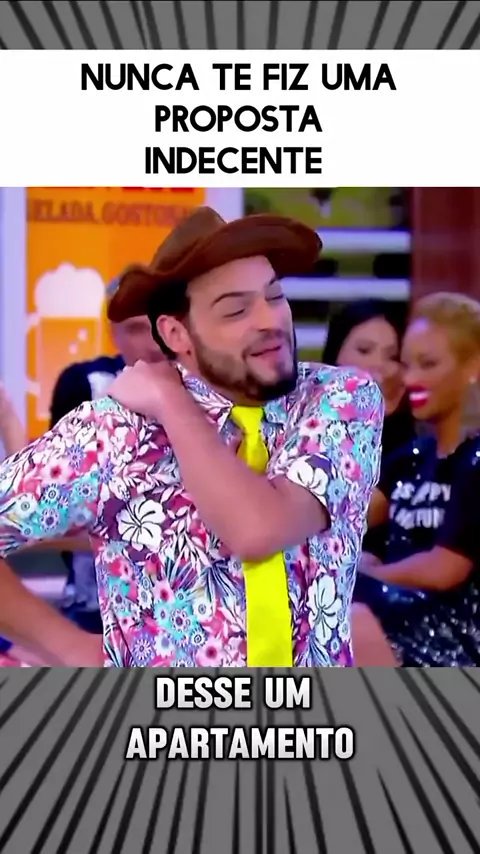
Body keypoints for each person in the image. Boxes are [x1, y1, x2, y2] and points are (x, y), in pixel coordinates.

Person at [0, 207, 383, 667]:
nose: (269, 319)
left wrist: (171, 402)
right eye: (237, 309)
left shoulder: (340, 397)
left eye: (275, 295)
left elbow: (260, 530)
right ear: (176, 333)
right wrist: (69, 646)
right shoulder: (115, 431)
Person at [355, 292, 480, 666]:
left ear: (473, 366)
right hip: (395, 619)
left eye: (428, 364)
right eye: (407, 365)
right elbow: (343, 518)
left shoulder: (476, 459)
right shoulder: (411, 457)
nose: (410, 379)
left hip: (456, 641)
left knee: (345, 612)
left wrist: (372, 574)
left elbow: (446, 569)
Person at [50, 278, 165, 637]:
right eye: (135, 329)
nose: (152, 342)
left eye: (158, 325)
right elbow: (55, 498)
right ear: (113, 332)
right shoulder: (86, 385)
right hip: (96, 603)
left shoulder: (217, 389)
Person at [323, 299, 414, 459]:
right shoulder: (302, 435)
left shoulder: (417, 453)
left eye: (393, 357)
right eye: (364, 350)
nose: (378, 364)